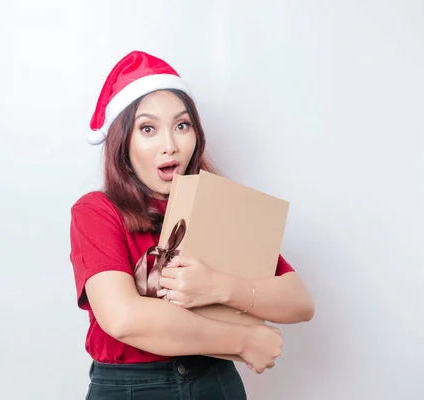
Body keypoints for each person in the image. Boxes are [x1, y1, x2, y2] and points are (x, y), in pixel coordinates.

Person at [69, 50, 315, 400]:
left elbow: (299, 301)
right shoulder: (97, 211)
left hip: (214, 381)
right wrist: (242, 340)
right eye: (148, 128)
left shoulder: (215, 204)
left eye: (181, 125)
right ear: (123, 141)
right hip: (132, 388)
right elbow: (123, 317)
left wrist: (217, 287)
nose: (170, 145)